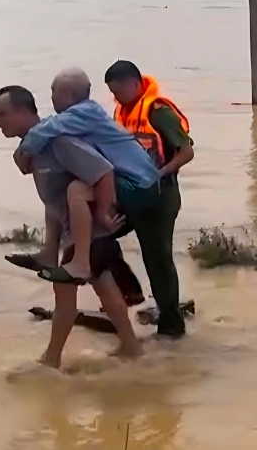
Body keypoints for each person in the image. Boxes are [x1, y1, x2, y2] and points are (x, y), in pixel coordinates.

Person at [17, 69, 185, 337]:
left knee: (78, 195)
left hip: (144, 188)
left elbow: (46, 129)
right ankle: (126, 293)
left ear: (66, 94)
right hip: (142, 187)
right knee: (96, 230)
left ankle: (87, 268)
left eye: (53, 92)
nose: (51, 98)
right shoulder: (87, 116)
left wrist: (23, 152)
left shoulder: (84, 112)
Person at [0, 85, 142, 368]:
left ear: (25, 112)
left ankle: (52, 359)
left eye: (3, 114)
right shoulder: (36, 146)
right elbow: (52, 201)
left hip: (87, 233)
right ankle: (131, 347)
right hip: (81, 234)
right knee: (105, 288)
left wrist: (104, 211)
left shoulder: (58, 142)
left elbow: (103, 171)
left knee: (64, 296)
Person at [103, 61, 192, 335]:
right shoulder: (121, 112)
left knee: (158, 262)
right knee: (97, 235)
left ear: (135, 84)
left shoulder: (158, 111)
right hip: (128, 196)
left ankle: (171, 326)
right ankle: (129, 287)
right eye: (112, 93)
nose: (116, 98)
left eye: (119, 91)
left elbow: (186, 152)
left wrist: (162, 172)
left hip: (159, 198)